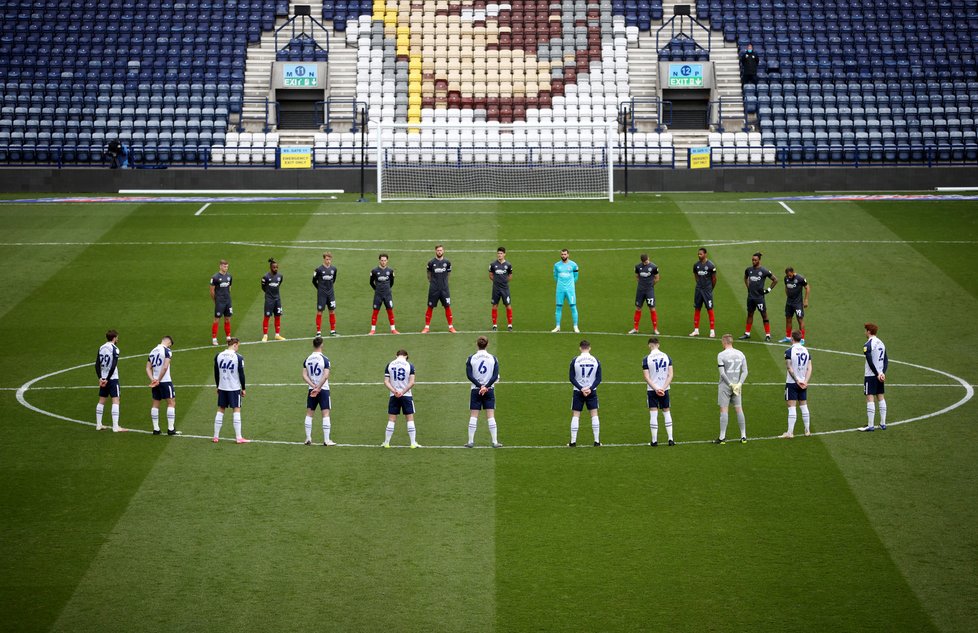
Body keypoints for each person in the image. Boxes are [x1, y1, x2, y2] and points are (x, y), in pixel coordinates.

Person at [464, 336, 502, 448]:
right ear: (487, 344)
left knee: (473, 415)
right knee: (490, 416)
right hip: (489, 390)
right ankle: (495, 442)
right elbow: (495, 376)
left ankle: (470, 441)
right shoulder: (493, 358)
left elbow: (469, 375)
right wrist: (486, 387)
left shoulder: (471, 358)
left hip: (476, 390)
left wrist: (480, 386)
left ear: (477, 344)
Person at [213, 337, 248, 444]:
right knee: (236, 410)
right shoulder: (238, 357)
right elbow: (241, 374)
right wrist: (243, 388)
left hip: (223, 387)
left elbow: (216, 372)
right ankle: (239, 437)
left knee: (220, 409)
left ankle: (215, 436)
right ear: (235, 344)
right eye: (238, 346)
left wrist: (218, 386)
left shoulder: (218, 355)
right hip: (234, 388)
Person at [301, 336, 335, 446]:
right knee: (325, 413)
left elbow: (304, 375)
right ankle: (326, 440)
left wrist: (313, 386)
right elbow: (326, 375)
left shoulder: (307, 359)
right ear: (322, 345)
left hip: (312, 390)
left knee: (309, 414)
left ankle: (308, 438)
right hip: (323, 390)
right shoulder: (325, 359)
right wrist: (319, 387)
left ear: (313, 345)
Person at [382, 349, 420, 447]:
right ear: (406, 356)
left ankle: (386, 443)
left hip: (393, 395)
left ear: (396, 355)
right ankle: (412, 443)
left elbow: (386, 381)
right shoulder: (409, 365)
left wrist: (395, 391)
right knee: (410, 418)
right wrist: (402, 392)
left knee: (391, 419)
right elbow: (412, 382)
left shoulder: (389, 365)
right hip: (406, 395)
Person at [715, 334, 749, 444]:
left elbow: (722, 373)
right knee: (739, 409)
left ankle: (722, 437)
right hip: (737, 386)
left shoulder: (721, 355)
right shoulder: (741, 354)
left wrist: (730, 384)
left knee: (724, 410)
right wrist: (739, 384)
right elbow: (745, 371)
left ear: (724, 342)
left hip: (726, 386)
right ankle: (743, 436)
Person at [568, 339, 602, 446]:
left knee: (576, 415)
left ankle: (573, 442)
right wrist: (590, 388)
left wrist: (581, 388)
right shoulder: (596, 360)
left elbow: (571, 378)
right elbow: (599, 379)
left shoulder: (575, 360)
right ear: (589, 348)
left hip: (578, 391)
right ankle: (596, 441)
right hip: (592, 391)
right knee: (594, 414)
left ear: (580, 348)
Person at [642, 337, 674, 446]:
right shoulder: (667, 356)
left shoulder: (646, 359)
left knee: (653, 414)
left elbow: (646, 377)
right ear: (658, 345)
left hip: (652, 390)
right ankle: (670, 439)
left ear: (649, 346)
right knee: (667, 412)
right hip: (665, 389)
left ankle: (654, 440)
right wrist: (663, 388)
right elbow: (671, 375)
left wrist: (656, 389)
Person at [780, 331, 812, 438]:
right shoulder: (806, 351)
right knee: (804, 405)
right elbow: (809, 367)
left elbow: (789, 367)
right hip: (803, 382)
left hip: (792, 383)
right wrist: (805, 381)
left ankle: (790, 433)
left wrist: (797, 380)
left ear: (792, 339)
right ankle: (807, 430)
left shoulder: (789, 351)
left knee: (791, 406)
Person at [740, 251, 778, 342]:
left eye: (755, 260)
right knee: (750, 314)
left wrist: (768, 290)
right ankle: (747, 333)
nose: (753, 261)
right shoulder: (749, 270)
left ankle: (768, 334)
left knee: (764, 315)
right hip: (750, 297)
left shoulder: (764, 271)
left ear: (759, 260)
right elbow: (745, 278)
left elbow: (775, 280)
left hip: (759, 298)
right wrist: (748, 287)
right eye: (752, 260)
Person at [145, 335, 179, 435]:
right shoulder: (167, 351)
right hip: (165, 381)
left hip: (155, 381)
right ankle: (171, 429)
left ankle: (156, 429)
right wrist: (159, 380)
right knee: (171, 403)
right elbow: (165, 367)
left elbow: (147, 368)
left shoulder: (152, 351)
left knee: (155, 404)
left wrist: (153, 380)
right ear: (169, 343)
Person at [858, 322, 889, 432]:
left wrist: (876, 373)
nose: (864, 332)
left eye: (865, 330)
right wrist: (882, 373)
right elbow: (886, 360)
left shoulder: (868, 344)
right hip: (880, 375)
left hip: (871, 375)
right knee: (881, 397)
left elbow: (870, 361)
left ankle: (870, 425)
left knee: (869, 397)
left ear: (869, 332)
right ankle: (883, 423)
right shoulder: (881, 343)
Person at [95, 329, 126, 432]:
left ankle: (99, 425)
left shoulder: (101, 347)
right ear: (114, 338)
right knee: (116, 400)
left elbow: (97, 365)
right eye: (117, 337)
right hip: (112, 379)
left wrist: (101, 378)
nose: (118, 339)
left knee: (101, 401)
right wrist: (108, 379)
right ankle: (116, 427)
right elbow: (113, 365)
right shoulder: (115, 349)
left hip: (103, 378)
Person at [423, 244, 457, 333]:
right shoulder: (431, 263)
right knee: (430, 307)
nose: (439, 252)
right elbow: (428, 274)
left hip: (444, 289)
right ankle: (426, 327)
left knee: (447, 306)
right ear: (435, 251)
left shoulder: (447, 262)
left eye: (441, 250)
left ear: (443, 251)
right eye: (438, 250)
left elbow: (448, 274)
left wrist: (444, 282)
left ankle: (451, 327)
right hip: (434, 289)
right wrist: (433, 283)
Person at [629, 253, 660, 335]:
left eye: (646, 261)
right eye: (644, 262)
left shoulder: (654, 267)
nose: (646, 263)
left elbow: (657, 278)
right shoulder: (637, 267)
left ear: (648, 258)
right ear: (642, 261)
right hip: (640, 290)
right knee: (638, 308)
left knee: (652, 308)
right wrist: (641, 284)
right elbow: (637, 276)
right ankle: (635, 328)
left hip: (649, 291)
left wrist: (651, 285)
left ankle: (655, 329)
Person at [690, 247, 717, 338]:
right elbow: (696, 275)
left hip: (707, 290)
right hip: (698, 290)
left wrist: (710, 288)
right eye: (698, 254)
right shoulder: (696, 265)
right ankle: (696, 330)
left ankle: (712, 331)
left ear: (705, 254)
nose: (699, 255)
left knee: (710, 309)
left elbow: (714, 279)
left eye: (701, 254)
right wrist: (699, 284)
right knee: (697, 308)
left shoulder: (711, 266)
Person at [369, 253, 398, 335]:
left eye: (385, 260)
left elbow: (392, 282)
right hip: (378, 295)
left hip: (387, 295)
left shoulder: (390, 271)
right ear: (379, 261)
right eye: (382, 260)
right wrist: (377, 289)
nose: (383, 262)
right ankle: (372, 330)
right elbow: (371, 282)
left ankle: (393, 329)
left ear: (387, 261)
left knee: (390, 311)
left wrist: (387, 289)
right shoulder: (374, 271)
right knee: (375, 311)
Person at [779, 267, 810, 344]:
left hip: (798, 303)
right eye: (787, 275)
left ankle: (802, 339)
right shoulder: (786, 278)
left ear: (793, 272)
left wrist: (806, 300)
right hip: (789, 302)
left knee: (800, 319)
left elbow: (807, 287)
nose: (789, 277)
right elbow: (786, 287)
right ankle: (788, 337)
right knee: (788, 318)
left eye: (790, 275)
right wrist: (788, 296)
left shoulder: (800, 278)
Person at [552, 248, 580, 333]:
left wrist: (570, 284)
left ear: (568, 255)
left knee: (573, 306)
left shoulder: (573, 265)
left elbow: (576, 276)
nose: (563, 256)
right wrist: (561, 284)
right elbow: (555, 276)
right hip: (560, 289)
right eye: (562, 254)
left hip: (570, 290)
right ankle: (557, 326)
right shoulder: (556, 265)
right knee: (558, 307)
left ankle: (575, 326)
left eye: (565, 254)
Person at [313, 251, 338, 336]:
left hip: (331, 294)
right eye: (327, 259)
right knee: (320, 311)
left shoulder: (334, 269)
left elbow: (333, 280)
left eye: (329, 259)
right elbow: (313, 281)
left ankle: (333, 331)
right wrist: (319, 289)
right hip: (322, 294)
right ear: (324, 259)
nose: (328, 261)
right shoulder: (318, 270)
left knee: (332, 311)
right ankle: (318, 332)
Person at [260, 257, 285, 342]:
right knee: (267, 316)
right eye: (274, 267)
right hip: (269, 300)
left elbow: (279, 284)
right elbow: (263, 287)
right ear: (270, 267)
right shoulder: (265, 277)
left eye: (277, 267)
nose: (276, 269)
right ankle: (265, 335)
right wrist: (269, 294)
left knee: (277, 316)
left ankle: (277, 335)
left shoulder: (280, 276)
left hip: (277, 299)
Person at [489, 246, 513, 331]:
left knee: (508, 306)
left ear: (504, 254)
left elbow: (510, 275)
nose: (499, 255)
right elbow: (491, 275)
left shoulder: (508, 265)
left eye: (501, 253)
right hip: (496, 289)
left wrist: (504, 282)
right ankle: (494, 325)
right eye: (498, 253)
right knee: (494, 305)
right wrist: (496, 281)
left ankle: (510, 325)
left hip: (505, 289)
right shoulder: (493, 264)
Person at [210, 259, 233, 346]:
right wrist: (216, 300)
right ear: (220, 266)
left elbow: (230, 287)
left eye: (227, 266)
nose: (226, 268)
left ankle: (228, 337)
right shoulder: (215, 277)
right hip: (219, 302)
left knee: (227, 318)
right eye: (224, 266)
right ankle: (214, 338)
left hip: (228, 301)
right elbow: (212, 291)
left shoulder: (229, 276)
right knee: (217, 319)